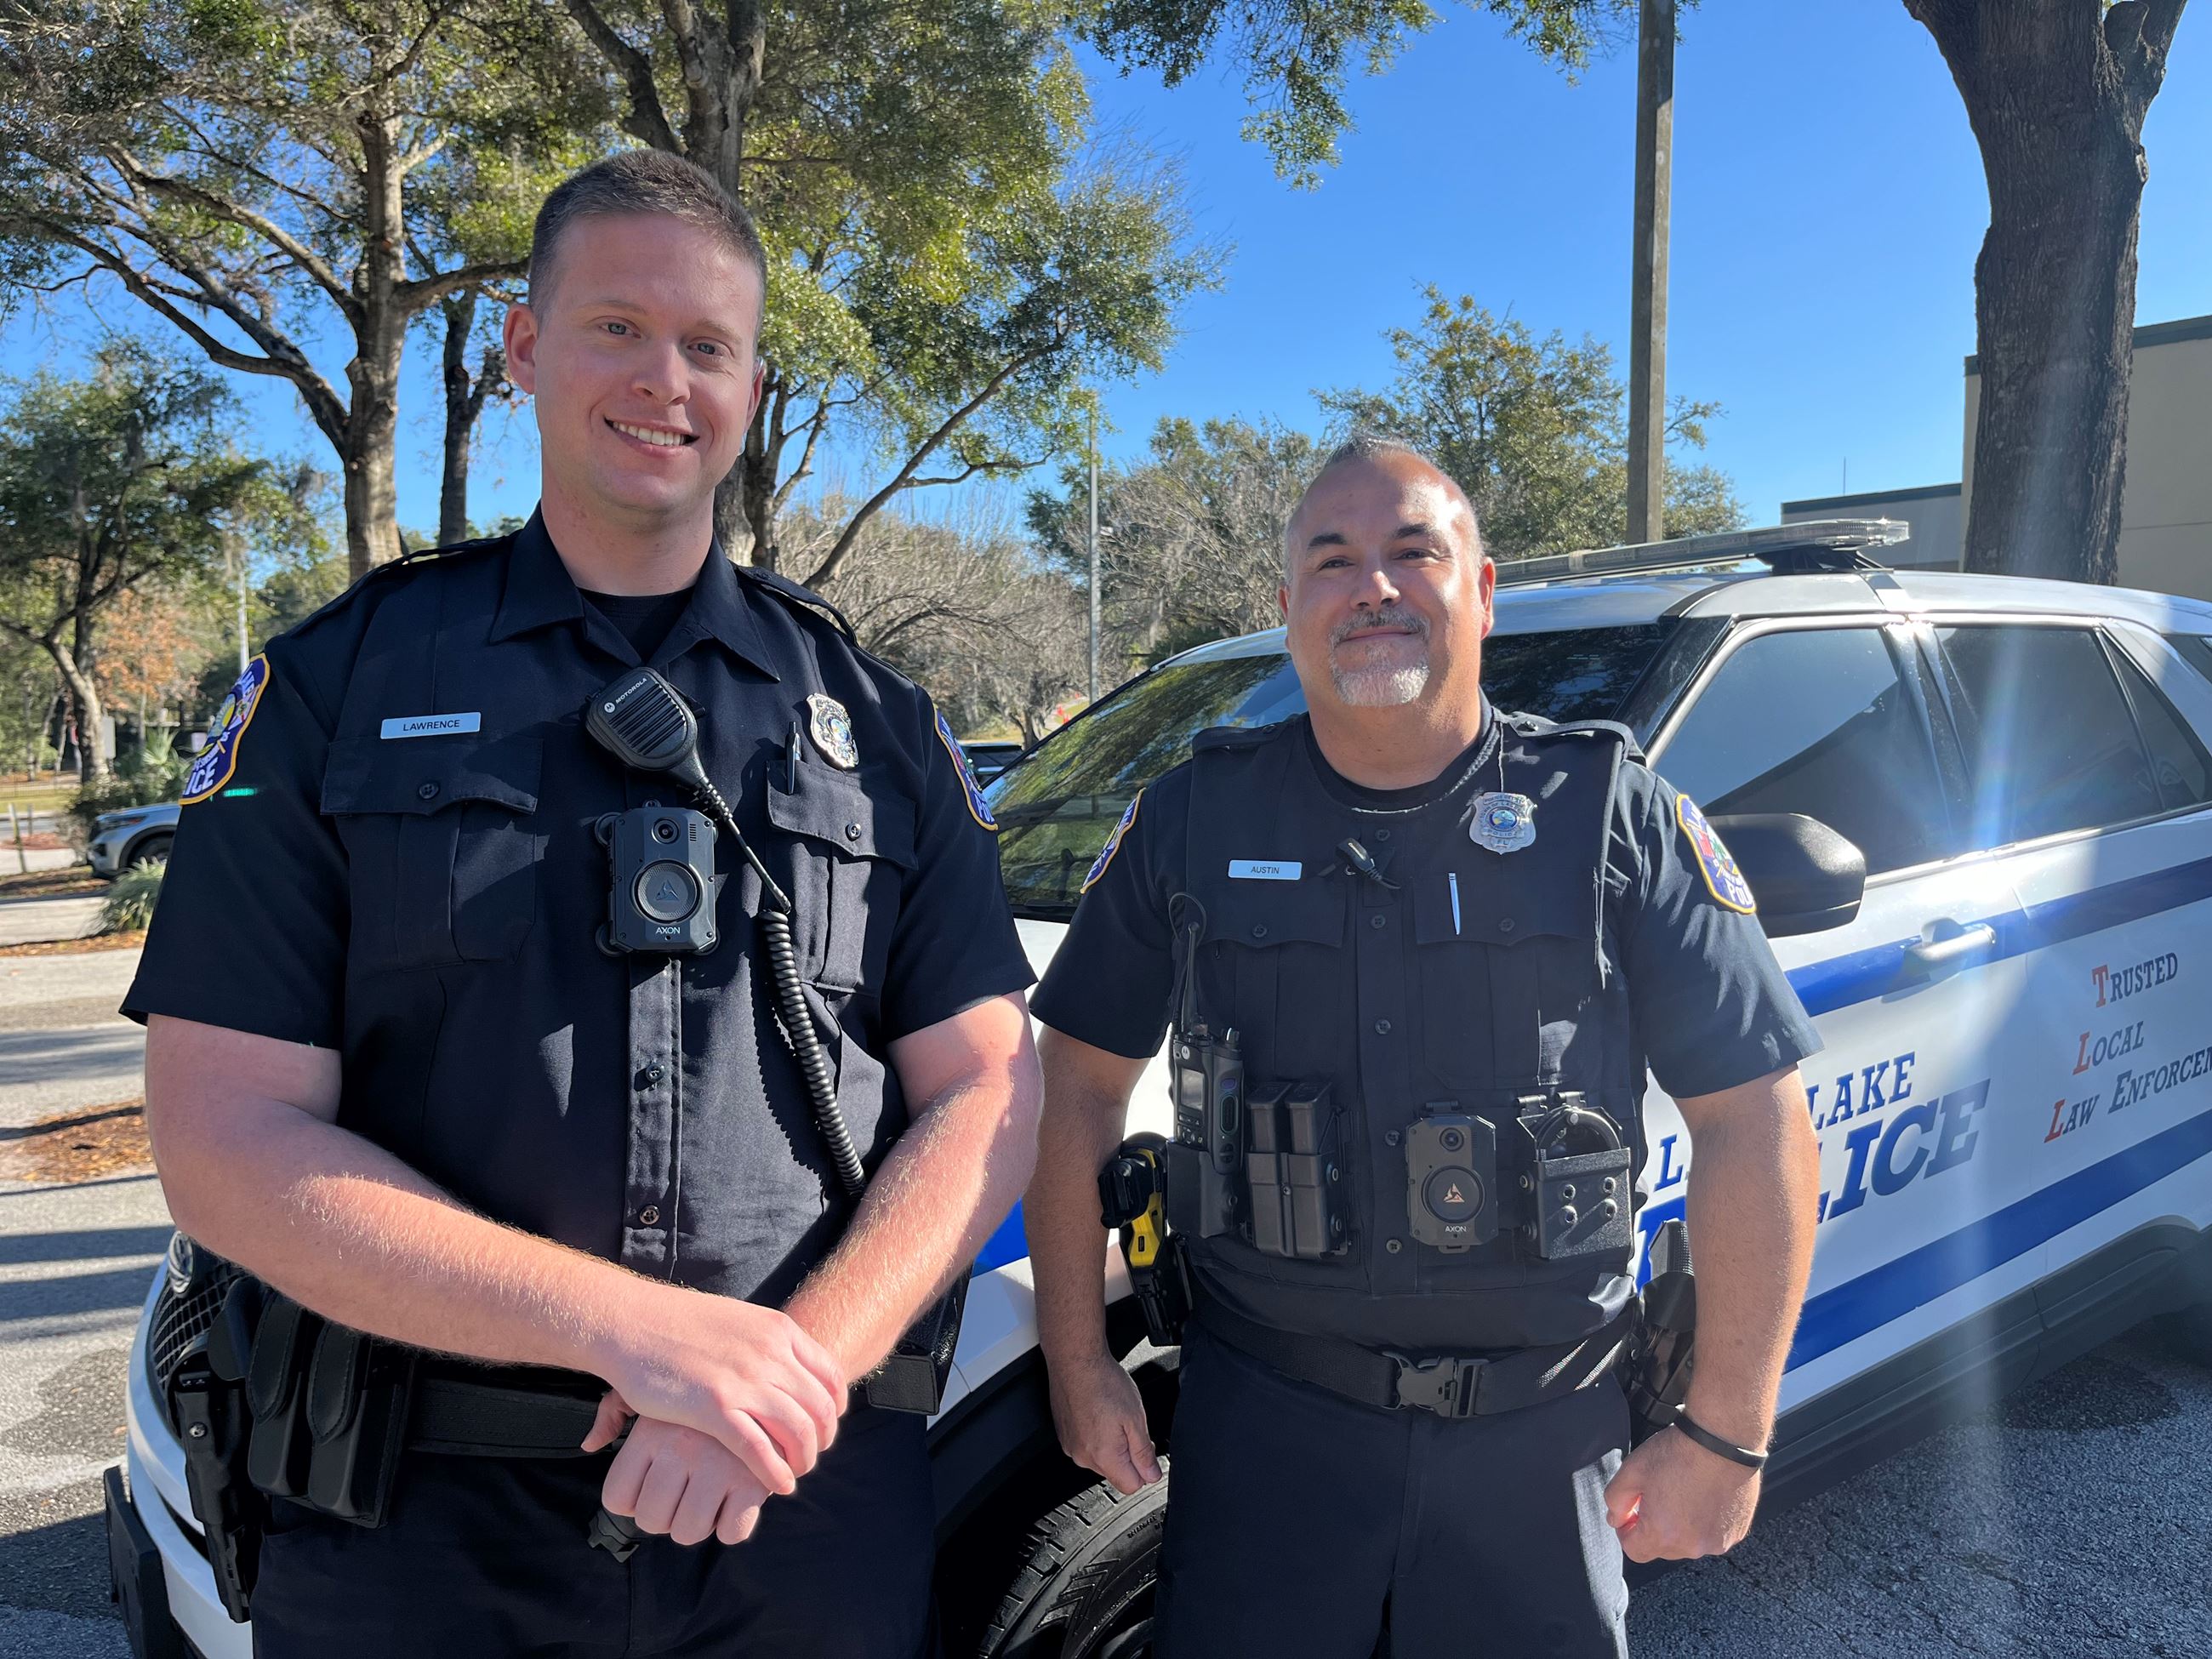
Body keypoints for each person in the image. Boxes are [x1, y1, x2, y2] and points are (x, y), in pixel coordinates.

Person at [127, 151, 1041, 1658]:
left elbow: (987, 1089)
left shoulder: (874, 721)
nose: (663, 379)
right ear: (524, 348)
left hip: (793, 1514)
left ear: (750, 384)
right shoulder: (340, 683)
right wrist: (627, 1332)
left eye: (708, 345)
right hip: (418, 1525)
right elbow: (221, 1136)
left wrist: (781, 1369)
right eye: (616, 325)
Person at [1024, 436, 1825, 1657]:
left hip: (1543, 1446)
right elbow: (1074, 1088)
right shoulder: (1193, 818)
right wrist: (1080, 1364)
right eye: (1333, 560)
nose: (1374, 588)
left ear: (1484, 590)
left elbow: (1755, 1119)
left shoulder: (1613, 814)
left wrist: (1727, 1430)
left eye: (1414, 552)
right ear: (1289, 603)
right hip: (1265, 1444)